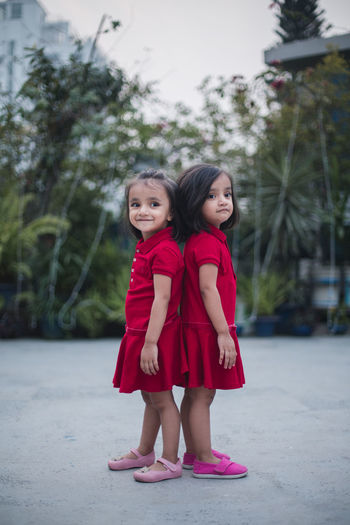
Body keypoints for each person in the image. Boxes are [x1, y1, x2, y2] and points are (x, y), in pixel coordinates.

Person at [109, 169, 187, 483]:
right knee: (150, 396)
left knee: (163, 399)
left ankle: (170, 461)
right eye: (135, 203)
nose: (142, 210)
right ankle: (144, 451)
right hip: (141, 334)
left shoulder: (165, 250)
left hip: (156, 337)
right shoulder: (147, 245)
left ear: (171, 214)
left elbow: (163, 299)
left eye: (154, 204)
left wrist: (151, 343)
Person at [176, 163, 247, 479]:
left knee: (195, 394)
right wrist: (224, 333)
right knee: (203, 394)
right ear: (193, 203)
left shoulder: (210, 237)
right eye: (211, 195)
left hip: (200, 329)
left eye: (227, 194)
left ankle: (193, 453)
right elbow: (207, 288)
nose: (223, 201)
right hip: (206, 330)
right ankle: (205, 459)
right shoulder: (205, 242)